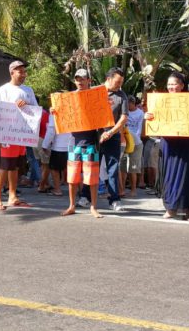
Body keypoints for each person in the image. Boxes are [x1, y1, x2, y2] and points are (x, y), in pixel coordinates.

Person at [144, 72, 189, 220]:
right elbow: (153, 119)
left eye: (174, 84)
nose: (171, 87)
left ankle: (188, 210)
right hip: (168, 143)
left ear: (182, 85)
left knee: (186, 175)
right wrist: (147, 117)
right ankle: (171, 208)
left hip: (185, 143)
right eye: (169, 84)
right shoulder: (160, 101)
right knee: (169, 175)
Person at [0, 60, 37, 211]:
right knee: (5, 166)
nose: (24, 74)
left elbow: (36, 110)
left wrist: (26, 105)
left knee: (15, 167)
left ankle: (12, 196)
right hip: (7, 135)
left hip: (21, 136)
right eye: (20, 71)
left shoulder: (28, 90)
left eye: (24, 71)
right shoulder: (2, 90)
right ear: (12, 72)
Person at [62, 68, 105, 218]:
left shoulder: (95, 97)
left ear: (88, 80)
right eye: (77, 79)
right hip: (73, 143)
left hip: (91, 143)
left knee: (92, 178)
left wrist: (106, 105)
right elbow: (61, 115)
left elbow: (103, 116)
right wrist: (55, 110)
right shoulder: (69, 98)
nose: (79, 81)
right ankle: (71, 206)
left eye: (82, 79)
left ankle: (93, 207)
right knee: (72, 177)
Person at [93, 67, 128, 213]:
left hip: (112, 137)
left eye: (121, 82)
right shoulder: (94, 91)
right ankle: (85, 196)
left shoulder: (122, 95)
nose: (120, 85)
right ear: (108, 79)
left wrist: (110, 132)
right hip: (94, 136)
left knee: (112, 169)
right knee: (91, 167)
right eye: (117, 82)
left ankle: (114, 200)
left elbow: (123, 117)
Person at [119, 94, 144, 200]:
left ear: (133, 103)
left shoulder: (140, 113)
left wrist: (134, 138)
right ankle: (122, 189)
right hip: (124, 141)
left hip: (136, 142)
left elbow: (139, 128)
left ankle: (133, 190)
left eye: (128, 104)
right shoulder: (123, 112)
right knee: (123, 167)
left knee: (133, 168)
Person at [41, 112, 70, 196]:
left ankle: (57, 189)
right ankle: (81, 191)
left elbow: (51, 130)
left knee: (54, 169)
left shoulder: (55, 112)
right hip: (72, 144)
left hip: (59, 145)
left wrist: (45, 145)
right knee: (72, 168)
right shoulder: (73, 110)